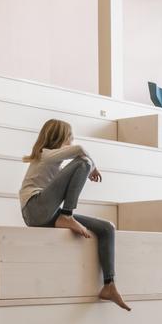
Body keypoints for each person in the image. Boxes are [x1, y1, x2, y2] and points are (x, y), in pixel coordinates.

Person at [20, 119, 129, 311]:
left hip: (48, 214)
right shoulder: (44, 155)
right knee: (84, 162)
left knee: (106, 228)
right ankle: (67, 216)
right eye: (70, 137)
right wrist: (92, 166)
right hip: (34, 209)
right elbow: (80, 150)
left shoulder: (55, 166)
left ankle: (109, 285)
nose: (72, 141)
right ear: (61, 138)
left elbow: (76, 152)